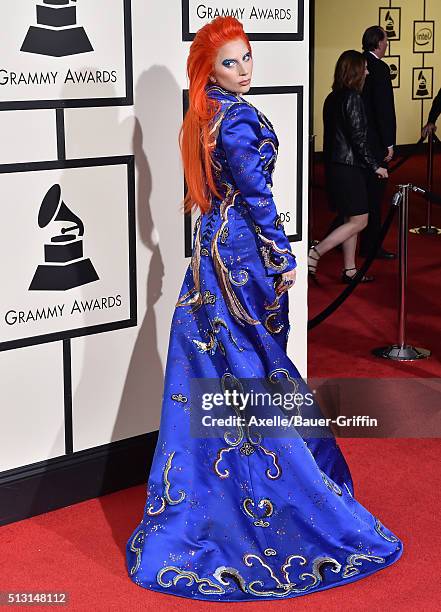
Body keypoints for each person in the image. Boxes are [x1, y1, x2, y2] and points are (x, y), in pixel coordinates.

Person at [126, 17, 403, 602]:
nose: (244, 69)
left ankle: (212, 497)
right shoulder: (237, 117)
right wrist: (282, 252)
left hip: (211, 251)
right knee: (251, 374)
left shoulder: (205, 114)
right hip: (241, 256)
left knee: (216, 375)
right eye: (231, 62)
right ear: (209, 69)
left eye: (247, 57)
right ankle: (266, 497)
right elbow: (256, 195)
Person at [308, 51, 388, 283]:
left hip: (335, 166)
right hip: (349, 168)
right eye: (364, 68)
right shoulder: (352, 98)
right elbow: (358, 139)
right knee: (360, 221)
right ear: (354, 71)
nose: (367, 72)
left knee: (349, 219)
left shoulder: (332, 97)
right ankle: (315, 253)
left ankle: (350, 270)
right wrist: (375, 166)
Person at [359, 25, 397, 259]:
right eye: (385, 40)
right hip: (375, 144)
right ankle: (370, 247)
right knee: (374, 198)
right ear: (379, 43)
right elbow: (384, 110)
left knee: (359, 195)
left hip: (356, 142)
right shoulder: (380, 69)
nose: (387, 44)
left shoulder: (356, 63)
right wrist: (390, 143)